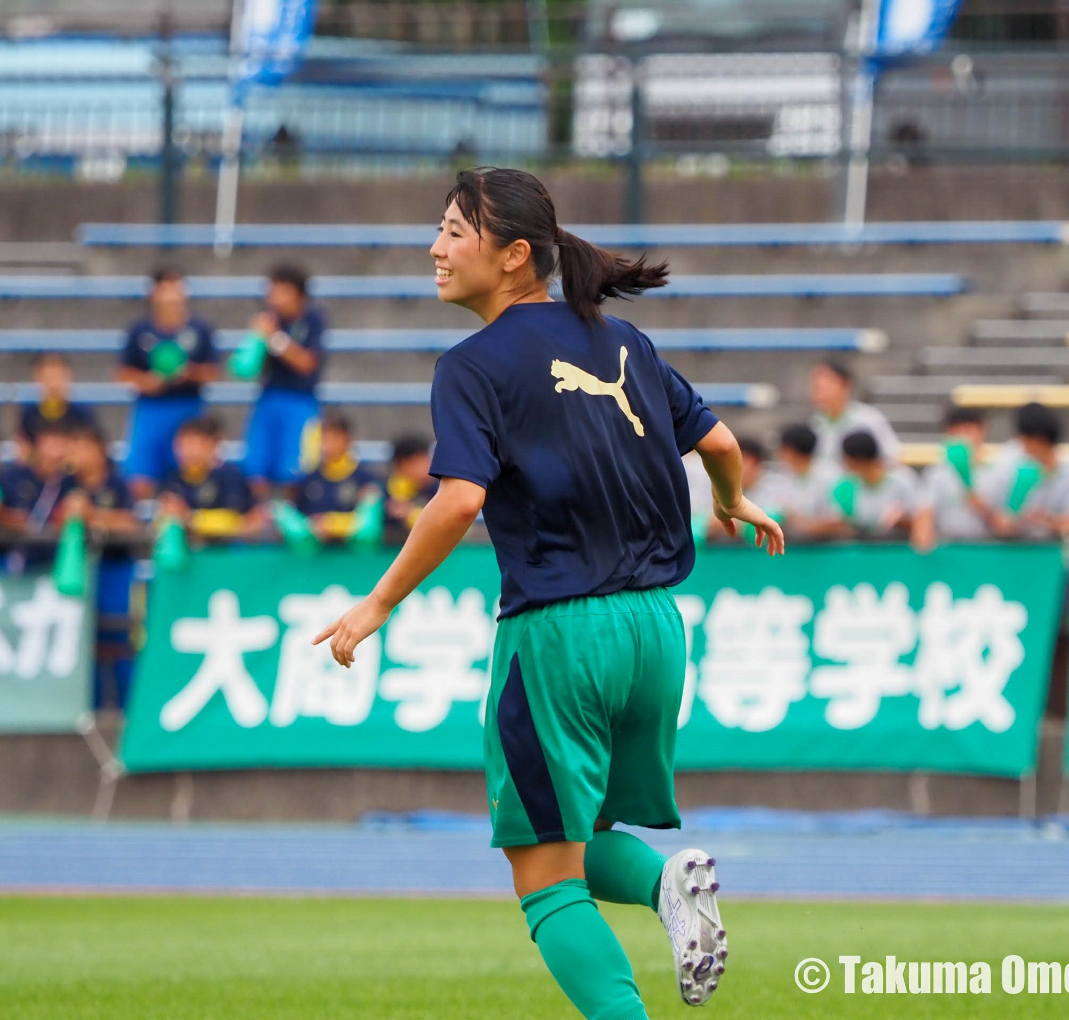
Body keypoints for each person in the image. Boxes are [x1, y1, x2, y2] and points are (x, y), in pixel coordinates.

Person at [313, 168, 783, 1020]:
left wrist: (378, 603)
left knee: (543, 877)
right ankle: (665, 881)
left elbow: (459, 499)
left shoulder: (471, 367)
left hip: (559, 637)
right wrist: (728, 500)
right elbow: (716, 440)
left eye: (456, 232)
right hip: (655, 631)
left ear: (514, 255)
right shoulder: (625, 340)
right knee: (581, 829)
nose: (437, 247)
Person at [117, 267, 222, 499]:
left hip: (187, 409)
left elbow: (213, 372)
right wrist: (147, 381)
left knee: (189, 476)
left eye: (175, 288)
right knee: (140, 481)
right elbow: (123, 373)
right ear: (153, 293)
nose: (171, 296)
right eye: (165, 289)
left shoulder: (200, 329)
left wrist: (188, 373)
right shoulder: (139, 330)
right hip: (150, 410)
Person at [239, 265, 327, 497]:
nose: (275, 298)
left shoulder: (312, 321)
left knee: (295, 472)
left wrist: (274, 338)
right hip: (268, 399)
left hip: (300, 402)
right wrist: (255, 339)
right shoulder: (268, 320)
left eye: (281, 291)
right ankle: (262, 521)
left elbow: (307, 363)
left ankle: (288, 521)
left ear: (298, 294)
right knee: (255, 468)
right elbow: (246, 368)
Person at [983, 402, 1069, 540]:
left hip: (1056, 548)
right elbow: (998, 523)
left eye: (1027, 441)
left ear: (1041, 440)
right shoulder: (1006, 463)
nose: (1023, 447)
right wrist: (1009, 520)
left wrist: (1043, 519)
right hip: (1013, 548)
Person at [158, 416, 261, 538]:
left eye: (194, 443)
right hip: (191, 550)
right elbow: (163, 520)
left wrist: (191, 518)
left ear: (213, 444)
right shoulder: (173, 478)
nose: (187, 451)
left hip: (230, 549)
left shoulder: (229, 475)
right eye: (182, 444)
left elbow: (235, 520)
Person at [809, 430, 920, 539]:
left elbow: (921, 523)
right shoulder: (845, 487)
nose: (843, 463)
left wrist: (901, 521)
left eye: (846, 458)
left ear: (857, 459)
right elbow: (843, 525)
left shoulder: (903, 479)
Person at [911, 407, 994, 552]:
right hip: (949, 549)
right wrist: (923, 535)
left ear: (982, 431)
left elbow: (1004, 523)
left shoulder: (996, 472)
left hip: (986, 550)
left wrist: (973, 496)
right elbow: (925, 512)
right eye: (956, 431)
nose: (962, 438)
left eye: (968, 430)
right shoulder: (937, 473)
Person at [294, 412, 380, 544]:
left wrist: (332, 524)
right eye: (324, 438)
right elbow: (301, 520)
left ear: (348, 439)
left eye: (334, 438)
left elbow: (368, 526)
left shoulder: (365, 479)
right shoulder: (310, 480)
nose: (327, 444)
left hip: (355, 552)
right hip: (316, 552)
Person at [808, 359, 901, 465]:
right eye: (814, 385)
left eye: (821, 385)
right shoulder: (816, 423)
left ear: (844, 385)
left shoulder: (868, 419)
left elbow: (892, 456)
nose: (816, 389)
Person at [0, 420, 76, 532]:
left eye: (61, 444)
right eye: (50, 443)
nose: (55, 452)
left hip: (56, 546)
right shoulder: (14, 477)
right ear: (37, 446)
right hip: (15, 545)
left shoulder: (72, 482)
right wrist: (10, 518)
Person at [61, 424, 138, 534]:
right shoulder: (66, 483)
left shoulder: (117, 484)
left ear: (101, 451)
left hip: (112, 550)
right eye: (73, 449)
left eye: (83, 448)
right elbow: (51, 521)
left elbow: (130, 523)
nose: (77, 455)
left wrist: (90, 514)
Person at [770, 423, 842, 539]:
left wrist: (802, 524)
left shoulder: (830, 477)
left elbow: (840, 522)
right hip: (795, 549)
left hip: (828, 549)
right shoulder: (782, 478)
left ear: (790, 450)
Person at [18, 353, 98, 447]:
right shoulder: (28, 416)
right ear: (38, 377)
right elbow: (24, 451)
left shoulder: (82, 415)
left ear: (68, 375)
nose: (54, 381)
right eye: (48, 375)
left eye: (58, 374)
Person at [384, 434, 439, 543]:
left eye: (426, 458)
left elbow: (450, 526)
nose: (426, 465)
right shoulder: (382, 490)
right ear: (399, 465)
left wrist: (410, 514)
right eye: (417, 462)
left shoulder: (439, 490)